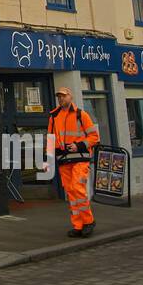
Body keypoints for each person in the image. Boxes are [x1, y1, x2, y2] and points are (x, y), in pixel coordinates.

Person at [47, 85, 101, 238]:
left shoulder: (81, 115)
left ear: (70, 97)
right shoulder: (53, 116)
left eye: (63, 96)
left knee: (77, 188)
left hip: (80, 158)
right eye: (59, 96)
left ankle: (88, 221)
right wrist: (49, 160)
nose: (61, 98)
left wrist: (78, 145)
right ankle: (78, 225)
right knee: (71, 192)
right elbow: (50, 139)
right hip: (64, 160)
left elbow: (94, 137)